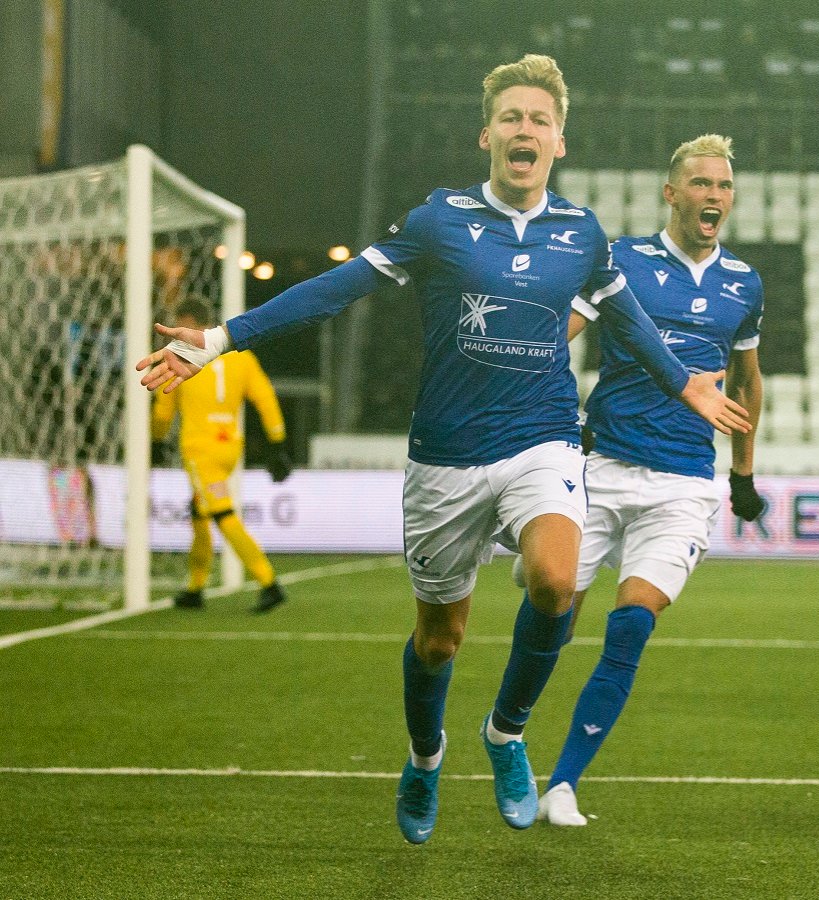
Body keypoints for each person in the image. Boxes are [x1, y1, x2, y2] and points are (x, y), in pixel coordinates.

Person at [136, 54, 749, 845]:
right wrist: (220, 338)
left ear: (559, 141)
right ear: (486, 135)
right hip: (446, 453)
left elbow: (625, 316)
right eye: (512, 117)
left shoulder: (581, 234)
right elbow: (337, 290)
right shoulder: (439, 220)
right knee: (439, 640)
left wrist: (682, 384)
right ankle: (426, 756)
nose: (525, 129)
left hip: (543, 438)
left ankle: (505, 732)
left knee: (555, 582)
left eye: (540, 119)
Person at [529, 134, 767, 826]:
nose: (714, 196)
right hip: (602, 466)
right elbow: (559, 336)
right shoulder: (623, 260)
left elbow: (748, 380)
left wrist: (744, 472)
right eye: (701, 184)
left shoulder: (744, 283)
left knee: (633, 621)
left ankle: (563, 784)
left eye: (724, 186)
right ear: (672, 193)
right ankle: (507, 729)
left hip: (684, 481)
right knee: (554, 611)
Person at [152, 299, 294, 613]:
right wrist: (277, 443)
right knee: (199, 513)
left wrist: (156, 440)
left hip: (200, 450)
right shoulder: (239, 356)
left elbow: (163, 411)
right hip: (229, 448)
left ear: (189, 321)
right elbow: (265, 396)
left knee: (221, 514)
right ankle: (195, 587)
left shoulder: (181, 356)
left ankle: (269, 582)